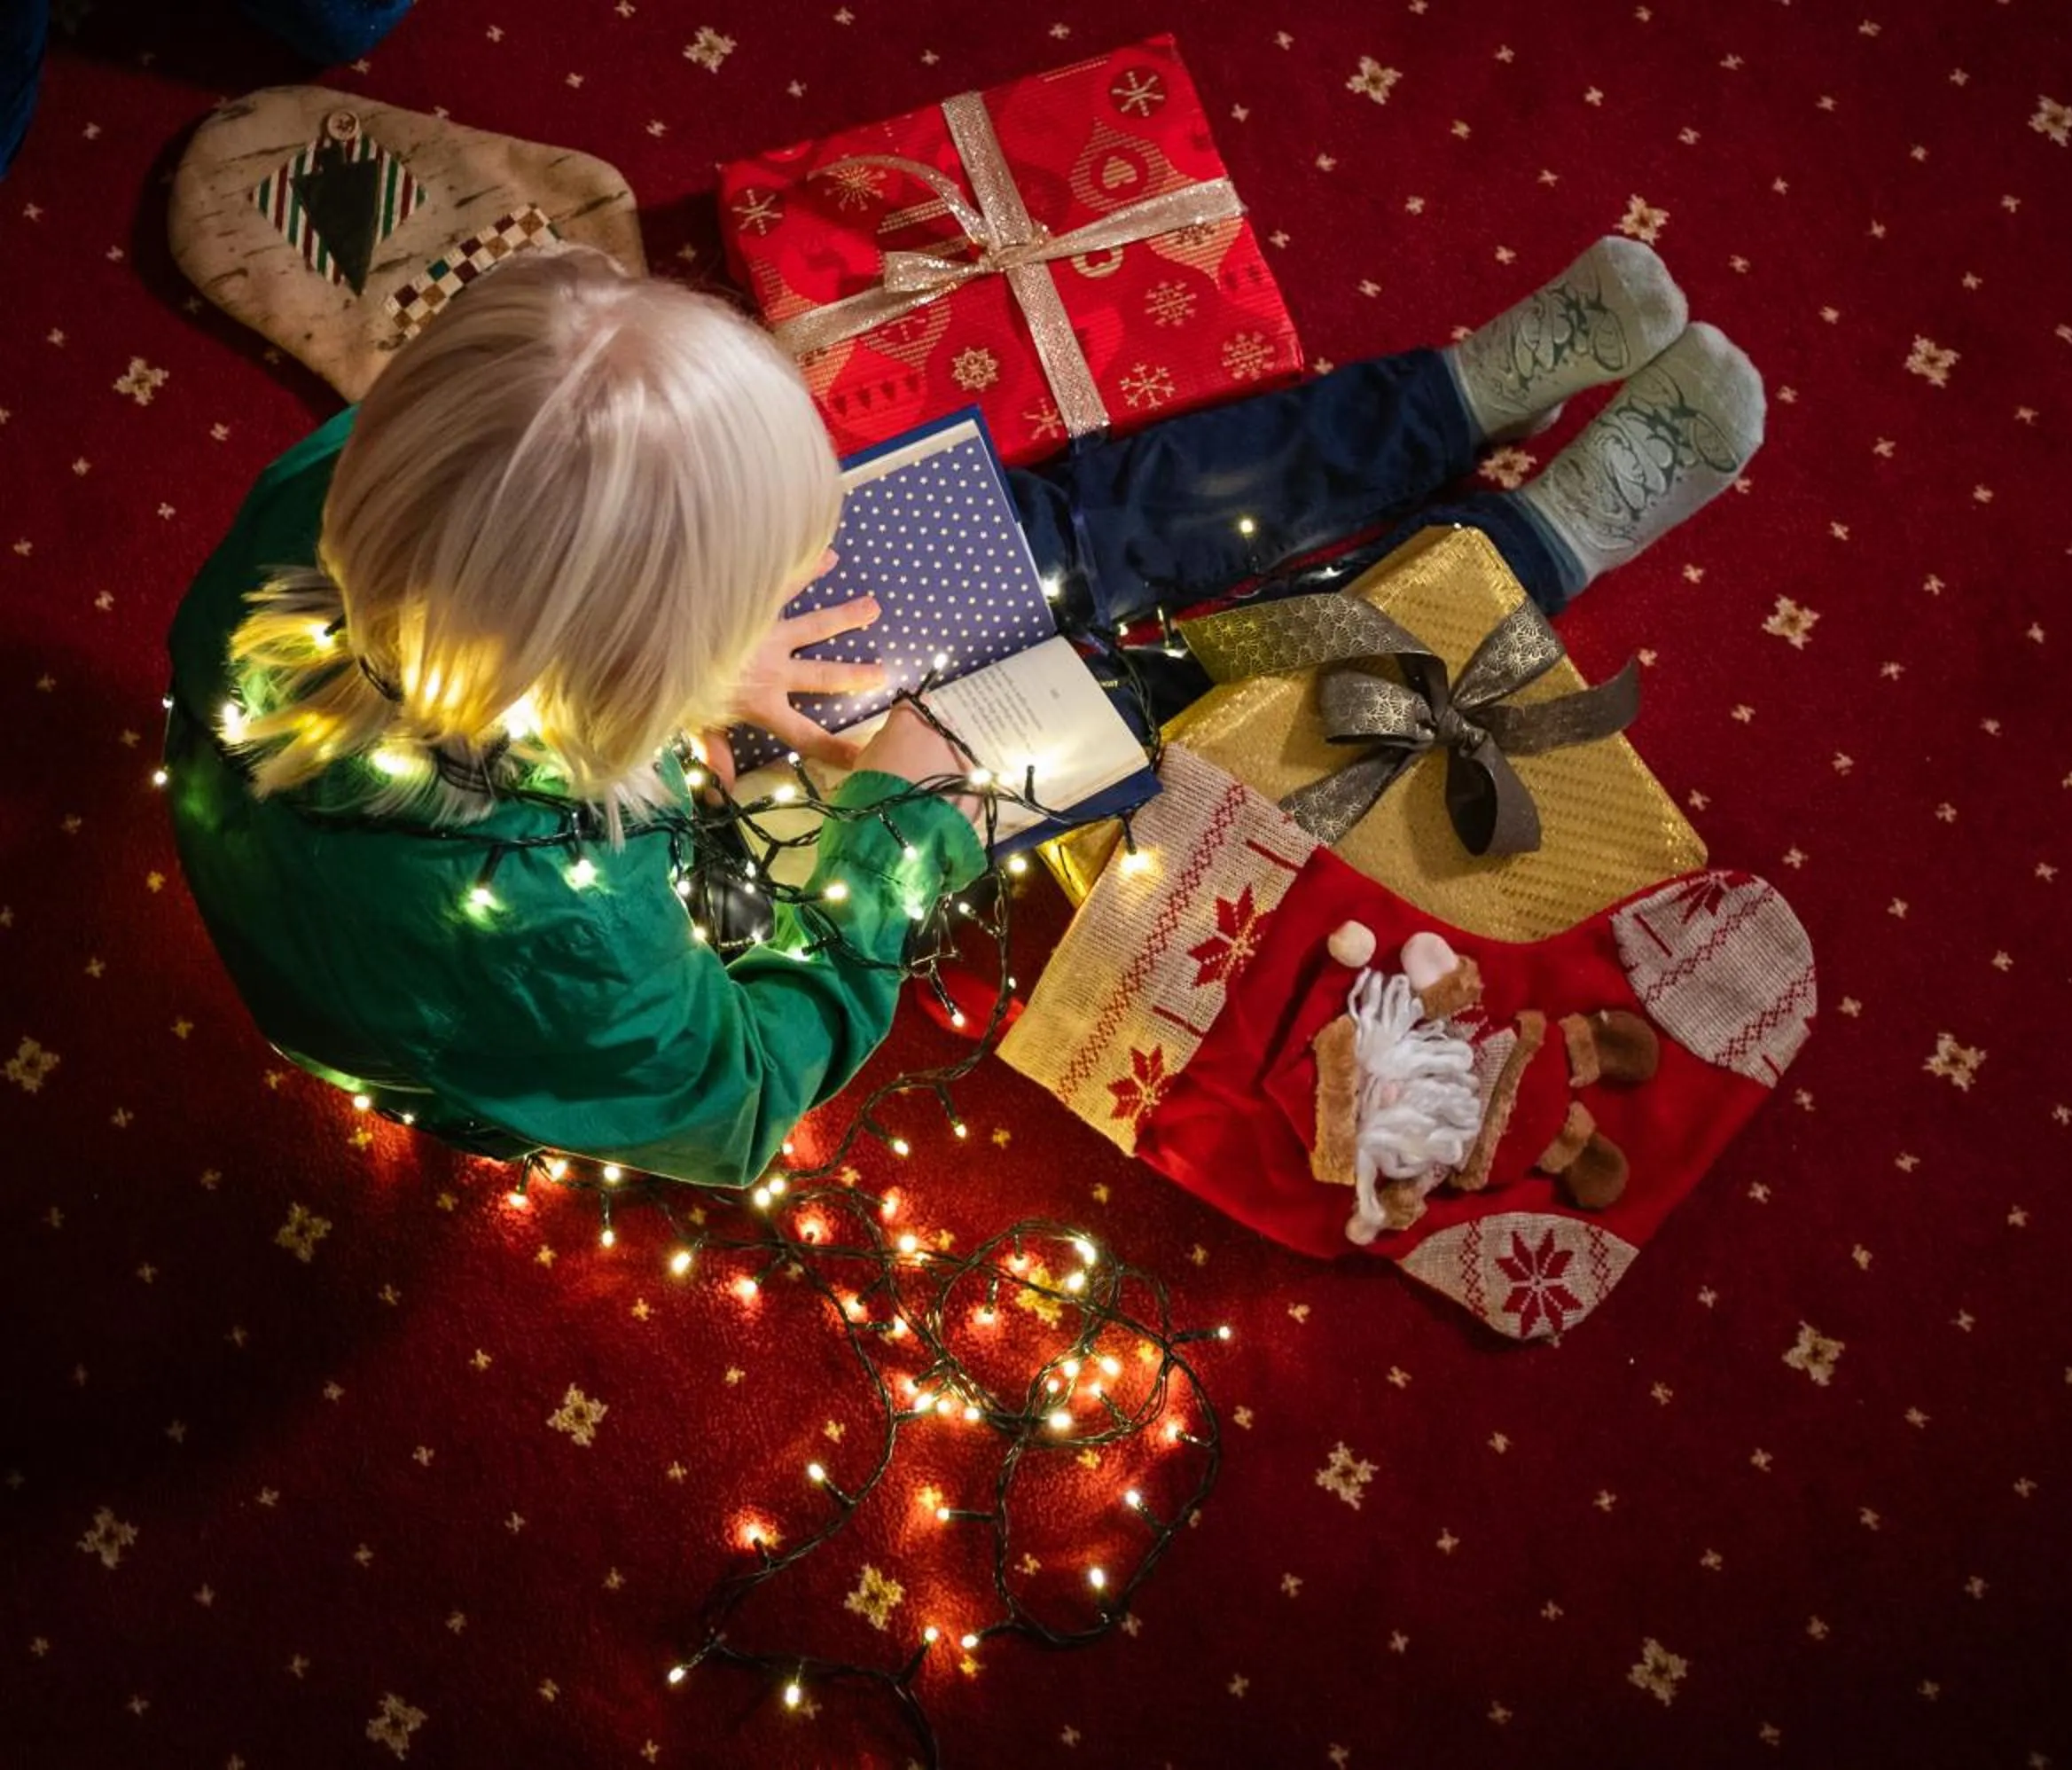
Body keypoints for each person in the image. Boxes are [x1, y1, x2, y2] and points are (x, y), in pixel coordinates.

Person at [164, 239, 1761, 1188]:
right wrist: (897, 822)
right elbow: (732, 1105)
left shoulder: (342, 506)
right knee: (1158, 708)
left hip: (582, 740)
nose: (806, 566)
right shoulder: (561, 951)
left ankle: (1450, 404)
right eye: (752, 577)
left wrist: (703, 664)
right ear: (622, 673)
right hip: (672, 903)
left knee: (1051, 532)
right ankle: (1522, 554)